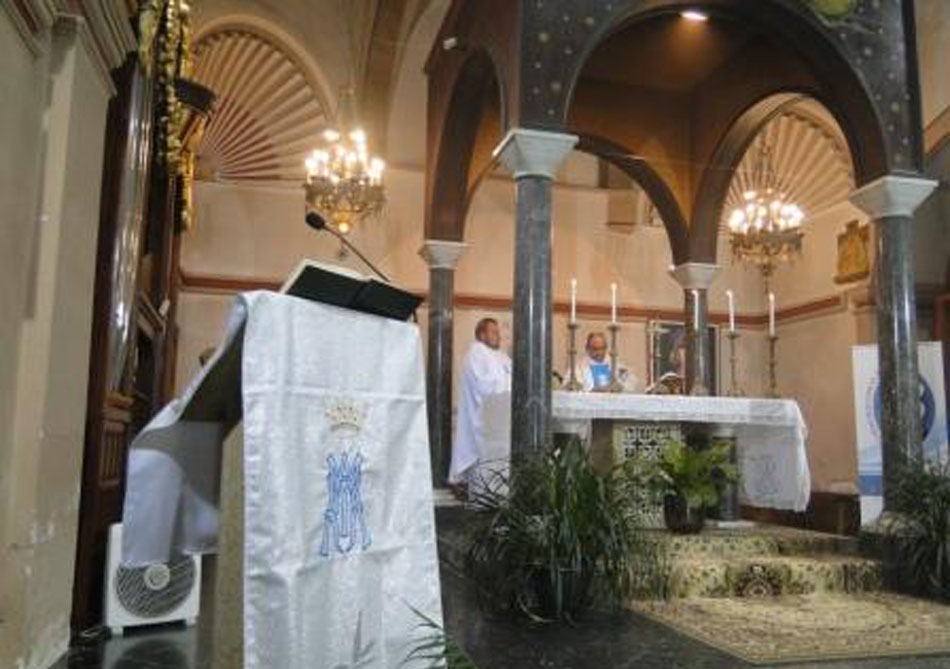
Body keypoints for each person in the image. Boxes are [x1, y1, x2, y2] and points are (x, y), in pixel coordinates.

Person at [449, 317, 512, 489]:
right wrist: (507, 382)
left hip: (502, 414)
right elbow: (483, 384)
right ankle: (484, 492)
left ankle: (500, 490)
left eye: (498, 332)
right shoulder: (476, 352)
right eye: (494, 332)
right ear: (481, 334)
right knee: (483, 454)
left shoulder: (502, 355)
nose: (498, 335)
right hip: (483, 414)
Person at [568, 331, 638, 392]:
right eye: (595, 349)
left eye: (602, 348)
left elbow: (631, 384)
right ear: (587, 348)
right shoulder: (579, 367)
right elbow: (571, 387)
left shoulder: (615, 364)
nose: (599, 352)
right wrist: (590, 390)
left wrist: (620, 387)